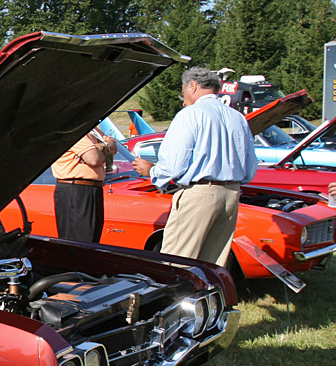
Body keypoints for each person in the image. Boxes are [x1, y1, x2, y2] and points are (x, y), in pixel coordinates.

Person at [132, 67, 257, 266]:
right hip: (232, 193)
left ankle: (174, 296)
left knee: (177, 261)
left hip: (199, 193)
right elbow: (250, 166)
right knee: (212, 264)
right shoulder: (237, 117)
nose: (183, 98)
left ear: (193, 86)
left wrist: (152, 171)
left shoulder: (190, 114)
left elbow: (174, 163)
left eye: (183, 92)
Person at [51, 128, 116, 242]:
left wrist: (101, 147)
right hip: (76, 189)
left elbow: (114, 145)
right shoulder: (74, 131)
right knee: (79, 241)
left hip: (93, 189)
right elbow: (95, 159)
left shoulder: (93, 131)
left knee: (92, 241)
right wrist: (104, 147)